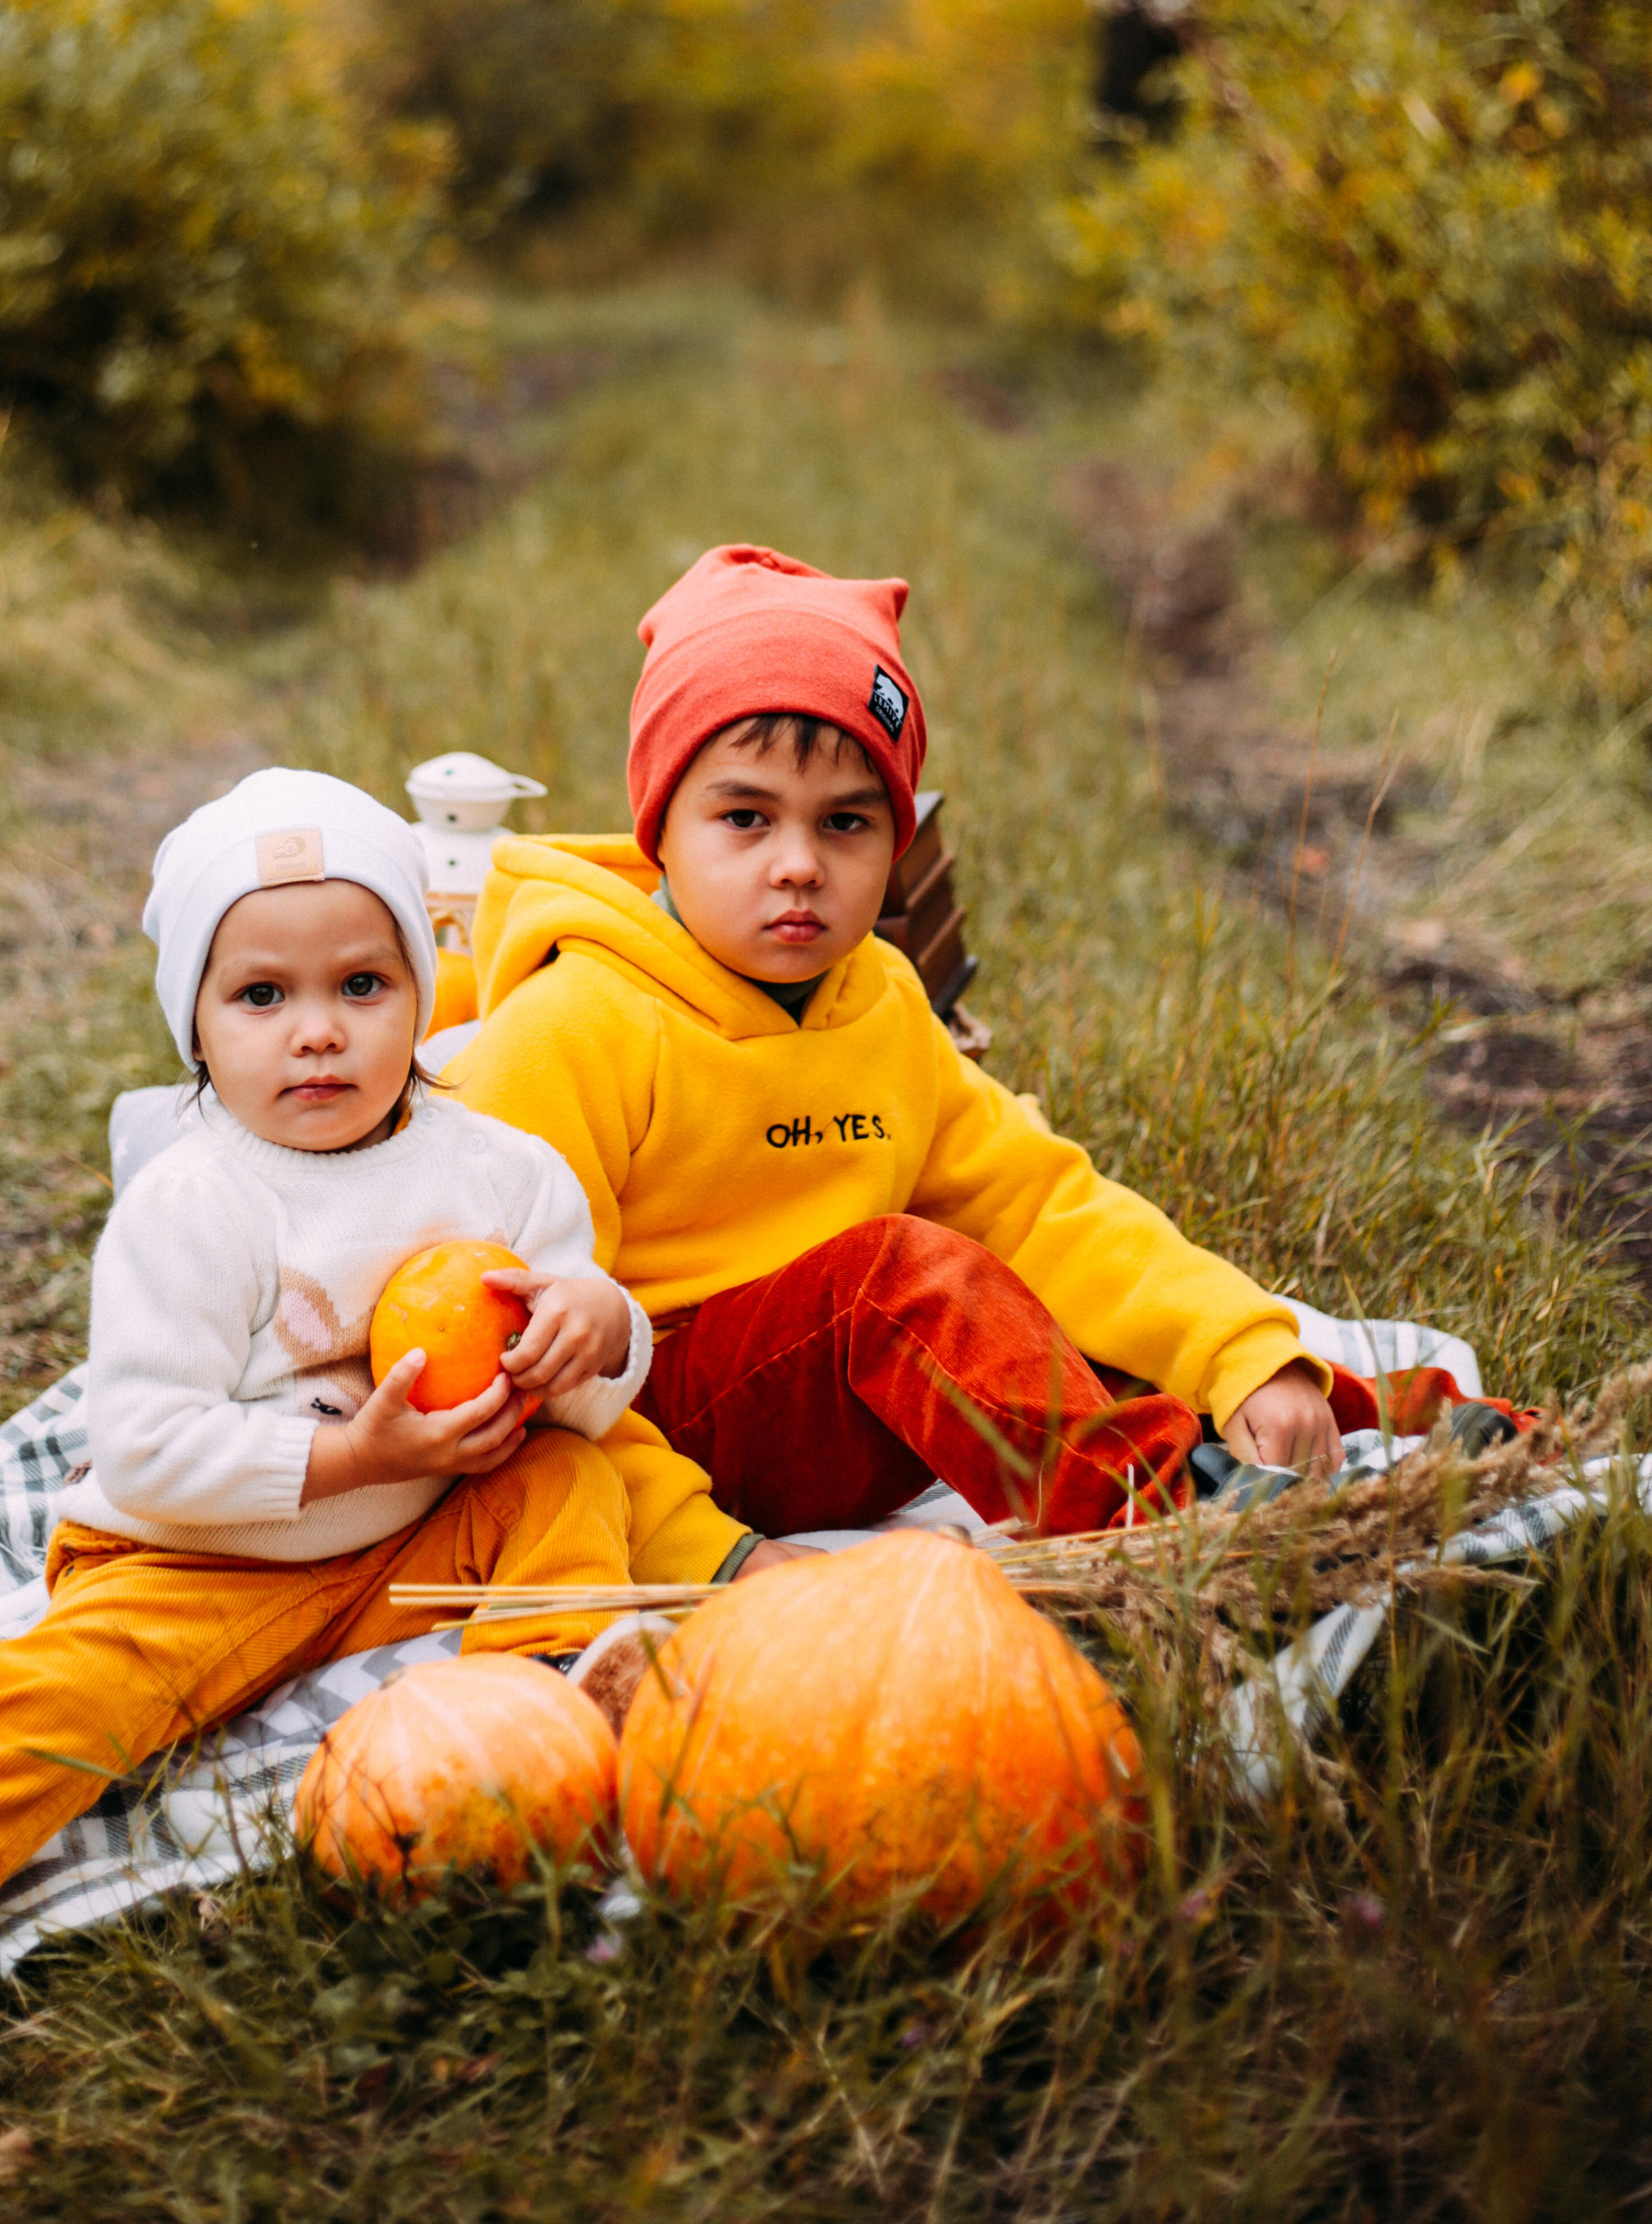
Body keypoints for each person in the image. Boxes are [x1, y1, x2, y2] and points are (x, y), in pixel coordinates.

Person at [0, 770, 646, 2095]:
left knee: (569, 1470)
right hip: (203, 1558)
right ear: (198, 1031)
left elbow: (583, 1371)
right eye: (263, 996)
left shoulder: (499, 1171)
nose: (317, 1033)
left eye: (361, 986)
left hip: (417, 1537)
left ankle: (546, 1710)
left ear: (423, 995)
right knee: (56, 1695)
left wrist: (596, 1326)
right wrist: (353, 1458)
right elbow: (148, 1441)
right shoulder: (196, 1202)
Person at [448, 544, 1476, 1588]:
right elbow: (508, 1355)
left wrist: (1237, 1344)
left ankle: (1387, 1430)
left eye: (845, 822)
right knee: (901, 1277)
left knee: (1067, 1315)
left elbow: (1037, 1203)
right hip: (669, 1426)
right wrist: (713, 1556)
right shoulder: (573, 1023)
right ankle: (1171, 1524)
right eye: (744, 817)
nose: (798, 862)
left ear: (895, 842)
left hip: (851, 1406)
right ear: (660, 826)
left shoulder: (880, 999)